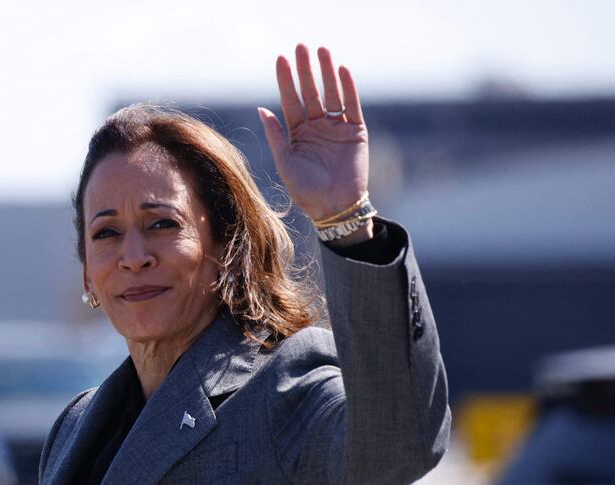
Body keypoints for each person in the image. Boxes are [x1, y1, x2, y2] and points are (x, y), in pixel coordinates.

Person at [38, 44, 450, 484]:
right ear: (87, 272)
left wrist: (345, 220)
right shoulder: (74, 426)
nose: (135, 257)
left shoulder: (284, 387)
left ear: (225, 247)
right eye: (106, 233)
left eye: (162, 224)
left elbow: (395, 448)